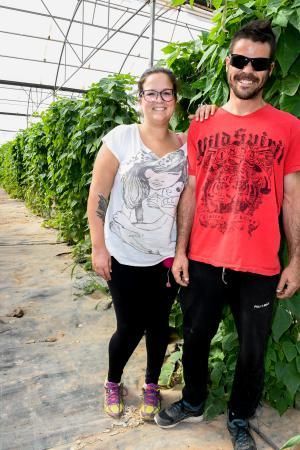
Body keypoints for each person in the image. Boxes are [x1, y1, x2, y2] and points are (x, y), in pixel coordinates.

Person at [155, 20, 300, 450]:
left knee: (253, 349)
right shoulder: (201, 126)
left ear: (270, 70)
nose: (247, 70)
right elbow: (191, 192)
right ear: (227, 64)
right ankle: (194, 400)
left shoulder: (290, 126)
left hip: (259, 263)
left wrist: (296, 260)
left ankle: (239, 416)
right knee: (196, 337)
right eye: (240, 60)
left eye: (258, 63)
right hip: (202, 257)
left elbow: (292, 197)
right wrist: (180, 251)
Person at [87, 67, 214, 421]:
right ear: (140, 98)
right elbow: (98, 194)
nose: (159, 100)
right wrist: (99, 247)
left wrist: (210, 110)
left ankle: (151, 384)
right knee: (128, 326)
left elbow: (216, 131)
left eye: (166, 93)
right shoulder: (122, 138)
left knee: (158, 324)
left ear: (175, 98)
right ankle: (113, 382)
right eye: (151, 93)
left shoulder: (187, 143)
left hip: (165, 256)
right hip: (123, 253)